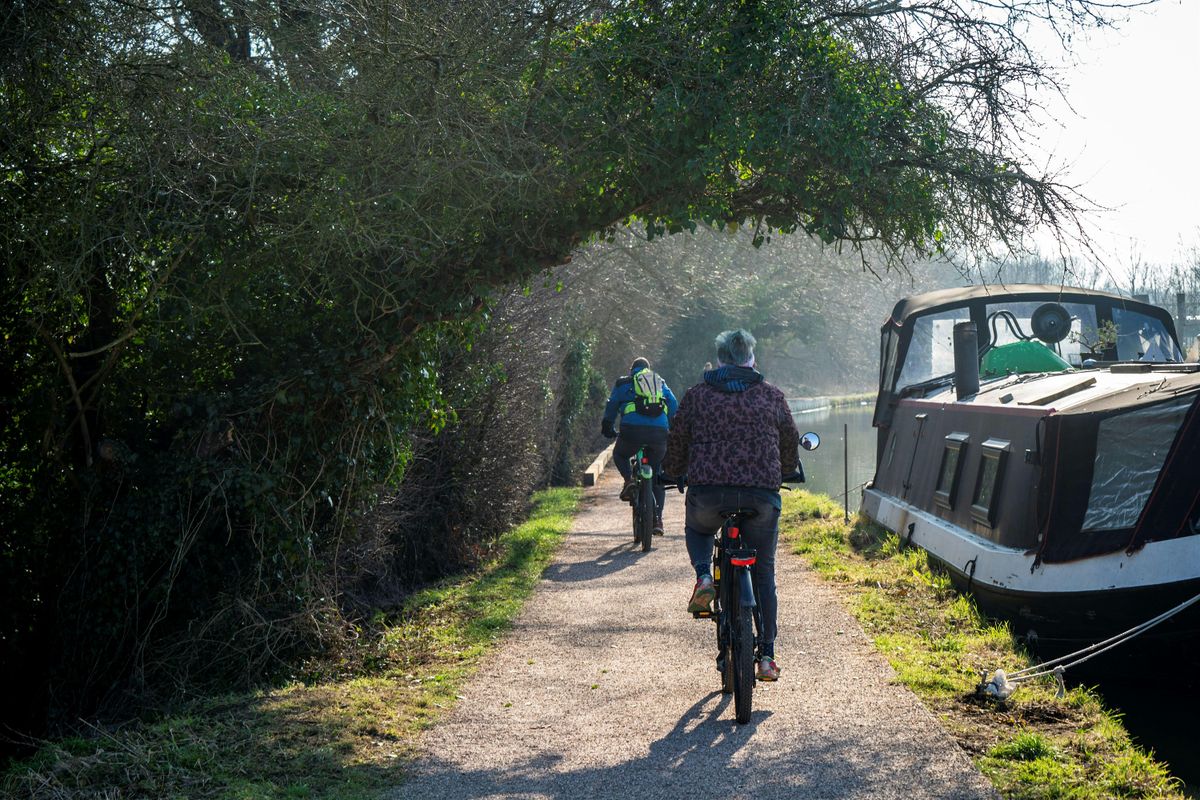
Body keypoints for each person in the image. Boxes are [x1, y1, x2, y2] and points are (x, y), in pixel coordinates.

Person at [662, 329, 800, 682]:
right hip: (761, 496)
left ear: (720, 360)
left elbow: (677, 440)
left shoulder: (697, 397)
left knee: (698, 527)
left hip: (708, 493)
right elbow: (789, 440)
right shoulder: (771, 396)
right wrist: (784, 471)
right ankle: (767, 656)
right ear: (751, 360)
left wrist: (673, 472)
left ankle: (704, 576)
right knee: (764, 572)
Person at [600, 358, 679, 534]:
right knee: (657, 473)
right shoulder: (659, 382)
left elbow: (611, 406)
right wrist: (672, 428)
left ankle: (628, 480)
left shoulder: (623, 383)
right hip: (659, 433)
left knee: (620, 454)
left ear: (632, 370)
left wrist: (608, 427)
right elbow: (673, 404)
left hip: (631, 432)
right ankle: (657, 519)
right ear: (648, 370)